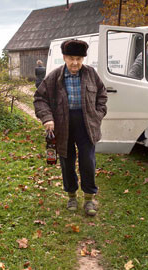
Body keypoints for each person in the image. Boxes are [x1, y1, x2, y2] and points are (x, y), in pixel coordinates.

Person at [34, 39, 107, 216]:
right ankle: (72, 196)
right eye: (72, 58)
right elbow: (39, 99)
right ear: (65, 57)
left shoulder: (90, 74)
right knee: (67, 162)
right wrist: (47, 118)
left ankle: (89, 199)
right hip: (63, 124)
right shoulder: (54, 77)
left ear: (83, 59)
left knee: (88, 162)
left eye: (79, 59)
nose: (75, 63)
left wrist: (97, 116)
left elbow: (102, 96)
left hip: (86, 124)